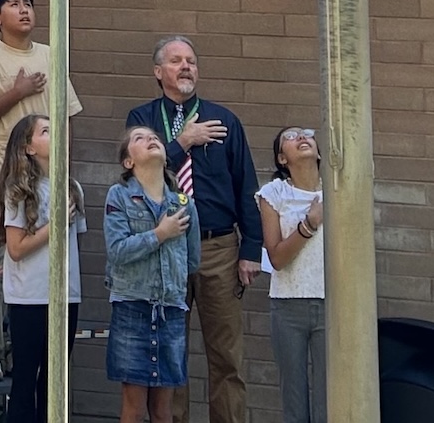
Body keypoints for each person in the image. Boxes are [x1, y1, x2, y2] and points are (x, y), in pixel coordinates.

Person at [125, 35, 260, 423]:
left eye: (191, 61)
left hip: (218, 248)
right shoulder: (142, 120)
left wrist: (251, 249)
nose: (186, 66)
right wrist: (182, 142)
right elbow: (136, 174)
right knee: (170, 353)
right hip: (165, 247)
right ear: (158, 72)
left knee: (227, 355)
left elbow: (246, 185)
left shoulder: (224, 120)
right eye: (176, 61)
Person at [0, 0, 81, 381]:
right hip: (3, 177)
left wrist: (64, 170)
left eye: (28, 3)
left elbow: (66, 116)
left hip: (49, 180)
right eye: (14, 4)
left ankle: (22, 347)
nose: (25, 9)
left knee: (44, 260)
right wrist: (17, 92)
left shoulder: (51, 54)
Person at [106, 127, 197, 423]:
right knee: (134, 407)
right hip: (132, 306)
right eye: (139, 138)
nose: (151, 139)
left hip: (171, 309)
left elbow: (192, 258)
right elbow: (117, 251)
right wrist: (160, 234)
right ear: (128, 161)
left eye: (155, 137)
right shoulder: (119, 195)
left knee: (163, 409)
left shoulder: (183, 203)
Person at [0, 115, 82, 423]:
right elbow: (16, 248)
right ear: (29, 147)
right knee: (25, 379)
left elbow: (76, 242)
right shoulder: (18, 189)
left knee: (55, 381)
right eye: (45, 131)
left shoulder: (72, 187)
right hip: (29, 297)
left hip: (66, 296)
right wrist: (55, 225)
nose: (56, 134)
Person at [259, 128, 327, 423]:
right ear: (281, 158)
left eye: (307, 134)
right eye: (291, 136)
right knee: (294, 401)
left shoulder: (337, 192)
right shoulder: (274, 194)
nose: (301, 137)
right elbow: (277, 258)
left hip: (332, 304)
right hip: (288, 305)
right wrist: (309, 225)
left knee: (330, 400)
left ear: (319, 151)